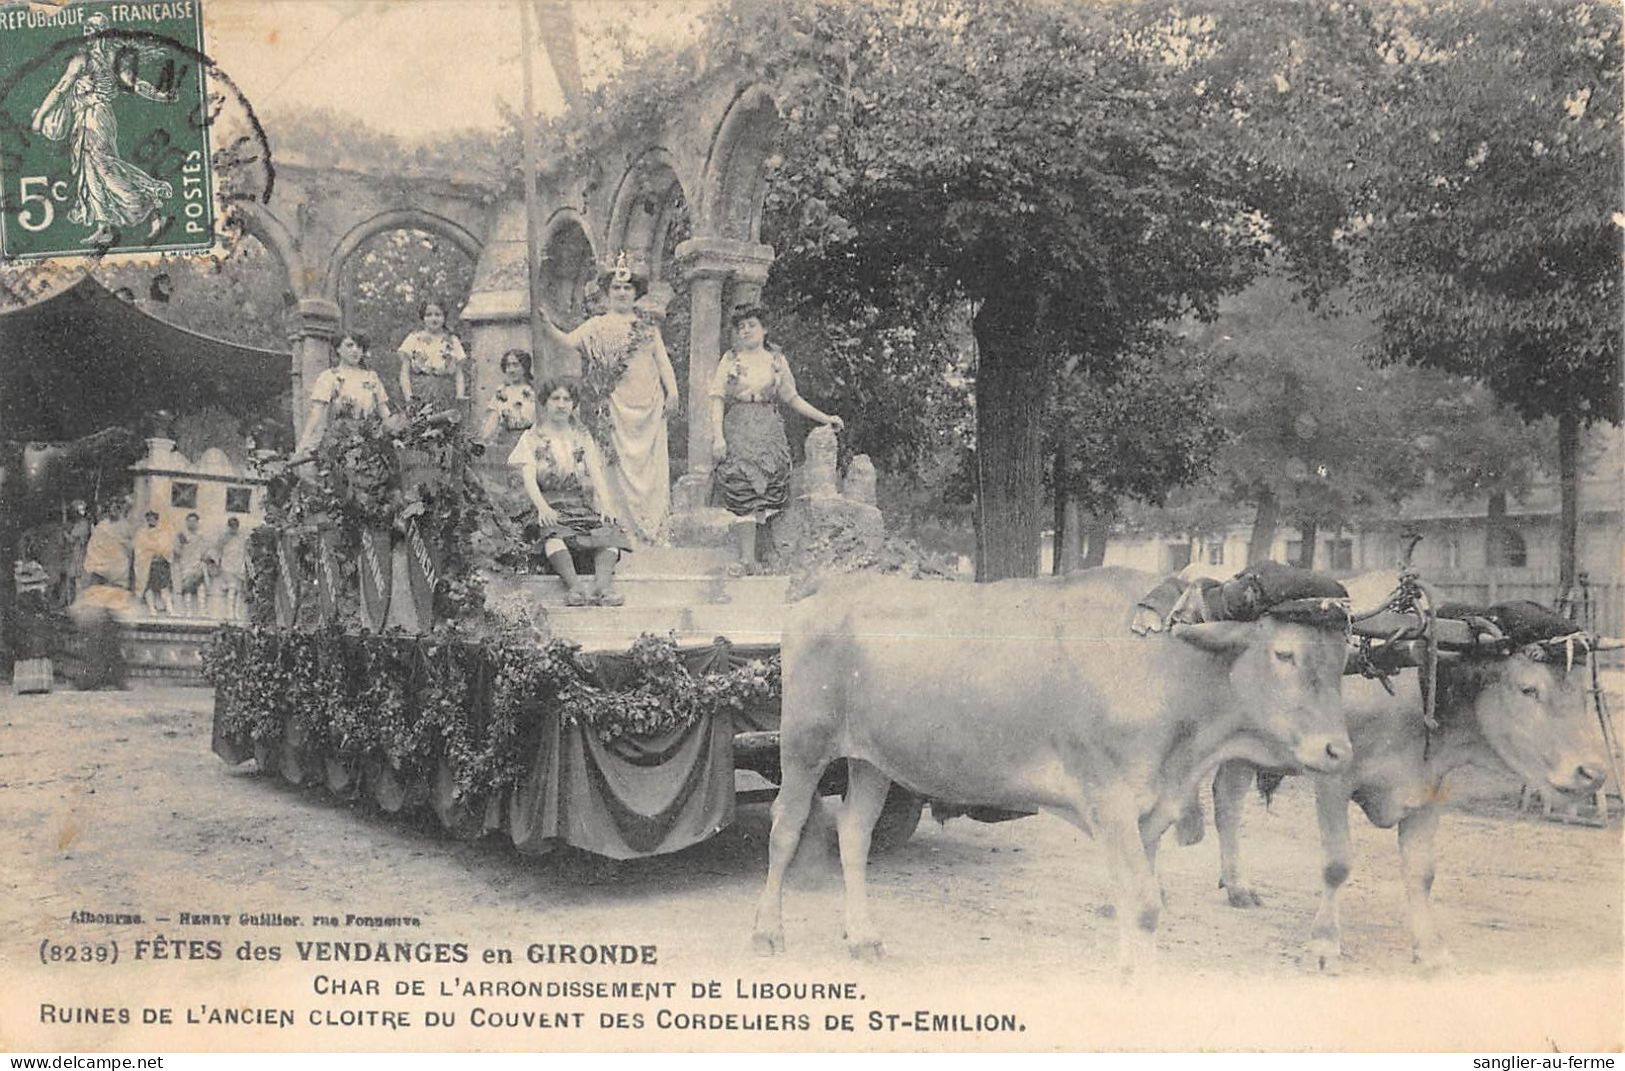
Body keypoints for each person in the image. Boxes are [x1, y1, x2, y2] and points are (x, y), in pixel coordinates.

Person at [537, 255, 679, 543]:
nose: (622, 293)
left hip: (649, 402)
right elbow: (567, 341)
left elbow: (662, 362)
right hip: (615, 403)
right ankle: (620, 528)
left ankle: (650, 530)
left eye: (627, 289)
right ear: (608, 292)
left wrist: (673, 392)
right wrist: (546, 323)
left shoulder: (648, 326)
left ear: (635, 293)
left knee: (649, 468)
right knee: (615, 464)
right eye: (616, 288)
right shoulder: (597, 325)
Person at [710, 304, 844, 574]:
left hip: (768, 427)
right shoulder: (730, 359)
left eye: (751, 325)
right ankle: (747, 558)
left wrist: (824, 417)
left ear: (764, 328)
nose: (746, 330)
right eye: (741, 327)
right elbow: (716, 398)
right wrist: (718, 437)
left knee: (769, 487)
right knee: (743, 485)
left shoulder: (776, 360)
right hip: (739, 426)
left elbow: (792, 398)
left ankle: (762, 557)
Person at [28, 12, 176, 246]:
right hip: (91, 118)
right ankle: (105, 225)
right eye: (87, 30)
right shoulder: (104, 58)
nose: (89, 34)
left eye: (93, 29)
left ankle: (152, 198)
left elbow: (61, 89)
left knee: (103, 167)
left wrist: (40, 118)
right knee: (92, 170)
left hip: (95, 118)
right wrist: (161, 96)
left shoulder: (88, 59)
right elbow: (64, 87)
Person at [510, 377, 632, 606]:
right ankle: (575, 588)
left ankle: (602, 588)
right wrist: (543, 507)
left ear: (573, 404)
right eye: (555, 398)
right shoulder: (531, 437)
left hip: (578, 504)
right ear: (545, 403)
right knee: (552, 532)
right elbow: (528, 478)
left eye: (567, 399)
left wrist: (605, 504)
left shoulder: (581, 436)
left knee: (609, 530)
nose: (561, 404)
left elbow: (596, 474)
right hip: (549, 503)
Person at [294, 331, 393, 458]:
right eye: (349, 345)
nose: (355, 350)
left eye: (359, 346)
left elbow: (384, 410)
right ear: (338, 349)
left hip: (368, 440)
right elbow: (316, 413)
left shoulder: (371, 377)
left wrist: (394, 434)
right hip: (340, 441)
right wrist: (304, 443)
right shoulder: (330, 377)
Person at [397, 299, 469, 413]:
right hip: (419, 393)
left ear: (444, 317)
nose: (433, 319)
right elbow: (404, 373)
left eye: (438, 315)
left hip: (446, 394)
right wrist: (409, 399)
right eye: (429, 315)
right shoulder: (414, 338)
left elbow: (459, 374)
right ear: (423, 317)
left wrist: (459, 399)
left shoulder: (452, 340)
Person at [132, 510, 175, 615]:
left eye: (153, 518)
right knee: (148, 586)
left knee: (164, 586)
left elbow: (167, 546)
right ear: (146, 520)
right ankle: (152, 608)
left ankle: (169, 609)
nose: (151, 520)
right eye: (149, 518)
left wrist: (160, 552)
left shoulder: (163, 532)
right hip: (147, 564)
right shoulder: (141, 533)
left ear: (157, 519)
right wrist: (149, 552)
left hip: (161, 563)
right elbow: (139, 547)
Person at [172, 512, 211, 616]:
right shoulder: (182, 536)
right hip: (186, 566)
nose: (192, 523)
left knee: (201, 588)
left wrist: (205, 559)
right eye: (189, 521)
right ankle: (188, 611)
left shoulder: (201, 536)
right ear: (186, 522)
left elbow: (206, 551)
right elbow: (176, 551)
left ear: (197, 523)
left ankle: (202, 611)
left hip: (198, 566)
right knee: (187, 588)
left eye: (194, 521)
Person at [216, 517, 247, 621]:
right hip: (227, 566)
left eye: (235, 527)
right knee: (232, 589)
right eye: (231, 527)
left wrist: (243, 566)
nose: (233, 529)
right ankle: (230, 613)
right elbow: (218, 551)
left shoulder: (242, 538)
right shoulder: (223, 538)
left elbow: (244, 552)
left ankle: (237, 612)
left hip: (238, 566)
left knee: (239, 591)